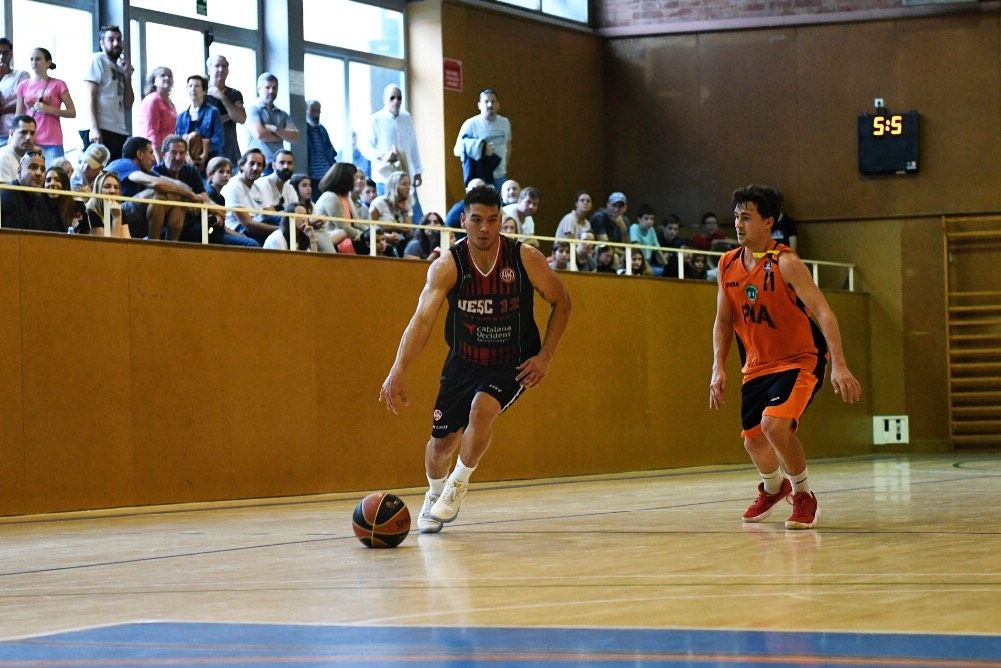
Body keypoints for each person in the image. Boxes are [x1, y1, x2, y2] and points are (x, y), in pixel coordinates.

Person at [379, 185, 571, 534]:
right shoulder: (448, 266)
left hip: (512, 360)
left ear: (502, 221)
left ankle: (458, 484)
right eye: (478, 220)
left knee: (482, 410)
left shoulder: (524, 258)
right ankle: (435, 493)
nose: (485, 228)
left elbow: (563, 302)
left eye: (493, 220)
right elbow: (422, 320)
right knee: (441, 445)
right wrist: (397, 369)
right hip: (464, 361)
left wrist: (545, 356)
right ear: (464, 220)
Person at [709, 184, 862, 531]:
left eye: (746, 217)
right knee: (753, 440)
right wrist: (718, 367)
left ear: (768, 222)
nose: (738, 223)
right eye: (736, 216)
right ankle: (774, 487)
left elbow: (823, 313)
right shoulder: (727, 264)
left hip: (799, 360)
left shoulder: (787, 263)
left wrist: (839, 364)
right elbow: (723, 321)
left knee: (773, 425)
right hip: (757, 366)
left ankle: (803, 494)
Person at [106, 135, 201, 240]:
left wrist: (192, 199)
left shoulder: (147, 170)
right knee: (158, 193)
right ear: (140, 154)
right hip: (111, 214)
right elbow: (156, 184)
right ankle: (153, 243)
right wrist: (190, 196)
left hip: (130, 219)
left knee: (178, 198)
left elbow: (176, 184)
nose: (153, 159)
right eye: (151, 153)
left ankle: (170, 248)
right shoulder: (125, 163)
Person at [80, 25, 134, 160]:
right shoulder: (98, 60)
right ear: (102, 43)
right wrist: (94, 127)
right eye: (111, 39)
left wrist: (128, 77)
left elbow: (128, 104)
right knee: (96, 173)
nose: (116, 43)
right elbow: (90, 95)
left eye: (119, 39)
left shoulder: (121, 67)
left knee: (113, 175)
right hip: (100, 127)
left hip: (118, 129)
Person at [15, 48, 75, 163]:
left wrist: (49, 109)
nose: (34, 62)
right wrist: (13, 135)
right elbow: (18, 115)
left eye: (38, 59)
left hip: (52, 141)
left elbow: (72, 112)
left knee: (54, 175)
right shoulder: (23, 85)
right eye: (31, 59)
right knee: (30, 176)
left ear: (48, 62)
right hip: (29, 139)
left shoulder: (58, 84)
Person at [453, 88, 512, 189]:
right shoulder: (470, 124)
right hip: (480, 179)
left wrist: (504, 167)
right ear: (479, 105)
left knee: (500, 205)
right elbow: (457, 150)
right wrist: (481, 148)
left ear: (498, 105)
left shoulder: (505, 123)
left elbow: (508, 146)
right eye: (486, 102)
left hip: (500, 177)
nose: (490, 105)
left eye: (493, 101)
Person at [246, 72, 298, 169]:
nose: (271, 91)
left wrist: (274, 129)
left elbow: (295, 137)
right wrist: (283, 136)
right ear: (259, 89)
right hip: (258, 165)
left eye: (274, 88)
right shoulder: (252, 109)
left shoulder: (282, 114)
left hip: (279, 165)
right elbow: (259, 134)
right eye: (267, 87)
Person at [204, 155, 257, 247]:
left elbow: (222, 227)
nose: (226, 175)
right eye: (221, 172)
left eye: (228, 172)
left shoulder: (221, 198)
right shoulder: (208, 193)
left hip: (219, 233)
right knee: (251, 243)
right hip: (211, 235)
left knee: (248, 239)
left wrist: (240, 235)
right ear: (210, 174)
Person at [220, 148, 269, 245]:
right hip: (238, 228)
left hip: (256, 223)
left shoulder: (259, 187)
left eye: (259, 165)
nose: (255, 168)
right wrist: (280, 229)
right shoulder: (233, 185)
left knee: (284, 222)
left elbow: (270, 213)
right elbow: (247, 223)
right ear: (242, 166)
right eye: (251, 163)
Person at [1, 150, 58, 231]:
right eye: (33, 167)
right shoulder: (5, 195)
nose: (39, 173)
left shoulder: (42, 200)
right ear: (19, 170)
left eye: (42, 169)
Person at [205, 54, 247, 165]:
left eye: (224, 66)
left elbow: (241, 119)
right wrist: (231, 114)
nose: (221, 69)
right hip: (209, 154)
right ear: (209, 70)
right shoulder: (202, 93)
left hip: (231, 153)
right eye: (217, 66)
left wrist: (222, 97)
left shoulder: (235, 94)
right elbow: (207, 123)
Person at [175, 74, 223, 169]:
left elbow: (219, 140)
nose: (193, 89)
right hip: (187, 163)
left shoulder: (213, 112)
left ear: (204, 91)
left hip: (211, 163)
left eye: (197, 86)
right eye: (190, 86)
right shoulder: (181, 116)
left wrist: (202, 149)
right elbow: (177, 139)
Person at [315, 161, 365, 249]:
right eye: (354, 177)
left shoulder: (346, 197)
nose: (357, 181)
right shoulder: (330, 196)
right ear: (346, 178)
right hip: (329, 238)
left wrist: (372, 232)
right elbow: (342, 226)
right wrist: (363, 236)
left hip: (347, 236)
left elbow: (357, 224)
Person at [138, 67, 176, 163]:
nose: (167, 78)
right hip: (153, 153)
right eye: (162, 75)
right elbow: (151, 132)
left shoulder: (170, 103)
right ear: (154, 81)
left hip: (167, 151)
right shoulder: (153, 100)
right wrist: (159, 159)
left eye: (169, 76)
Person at [0, 37, 28, 148]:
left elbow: (23, 100)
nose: (2, 57)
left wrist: (1, 109)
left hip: (17, 132)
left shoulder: (21, 75)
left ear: (11, 54)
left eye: (5, 53)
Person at [83, 170, 129, 237]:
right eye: (107, 186)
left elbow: (127, 241)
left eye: (116, 187)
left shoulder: (118, 210)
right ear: (98, 189)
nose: (112, 191)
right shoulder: (90, 212)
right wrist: (116, 218)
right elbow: (107, 245)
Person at [305, 100, 336, 191]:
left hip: (327, 176)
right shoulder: (303, 130)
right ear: (305, 111)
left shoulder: (322, 130)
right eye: (313, 111)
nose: (316, 115)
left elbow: (331, 151)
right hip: (312, 177)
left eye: (318, 111)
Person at [629, 204, 667, 275]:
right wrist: (647, 267)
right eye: (646, 218)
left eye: (652, 219)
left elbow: (657, 250)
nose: (649, 221)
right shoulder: (634, 228)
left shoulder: (651, 230)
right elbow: (638, 249)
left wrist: (667, 265)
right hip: (637, 263)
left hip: (648, 263)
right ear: (639, 219)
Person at [0, 114, 37, 183]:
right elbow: (4, 192)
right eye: (23, 132)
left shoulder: (33, 157)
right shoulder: (2, 157)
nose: (28, 137)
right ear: (11, 133)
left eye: (32, 133)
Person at [43, 165, 76, 231]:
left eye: (57, 180)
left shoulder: (77, 207)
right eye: (48, 180)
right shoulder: (37, 206)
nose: (52, 183)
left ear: (65, 184)